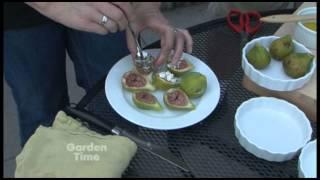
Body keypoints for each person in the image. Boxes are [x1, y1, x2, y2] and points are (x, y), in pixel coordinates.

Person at [4, 2, 193, 146]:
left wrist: (146, 5)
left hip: (108, 7)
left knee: (115, 102)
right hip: (17, 13)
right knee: (40, 112)